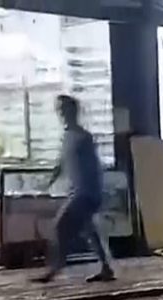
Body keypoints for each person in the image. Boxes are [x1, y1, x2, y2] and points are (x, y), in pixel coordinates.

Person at [35, 95, 114, 283]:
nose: (60, 113)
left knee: (59, 226)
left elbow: (94, 167)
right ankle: (106, 267)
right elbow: (61, 163)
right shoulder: (68, 136)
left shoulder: (83, 137)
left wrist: (94, 191)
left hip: (84, 193)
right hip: (81, 192)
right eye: (59, 110)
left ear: (72, 111)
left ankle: (57, 266)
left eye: (63, 109)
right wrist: (48, 182)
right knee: (89, 230)